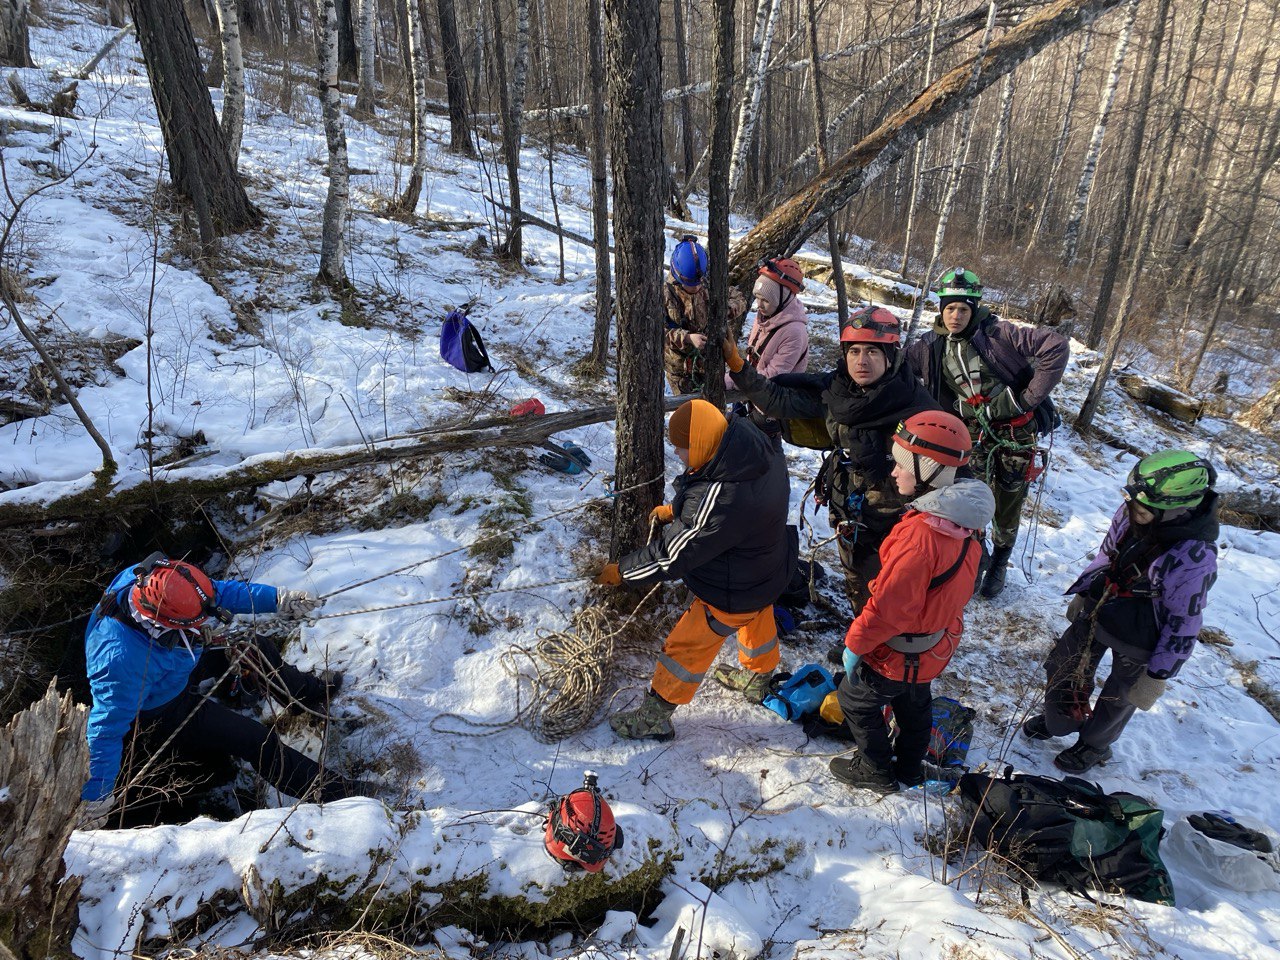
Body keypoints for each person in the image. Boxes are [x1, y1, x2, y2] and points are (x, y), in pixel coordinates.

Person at [80, 553, 366, 827]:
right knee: (259, 741)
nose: (204, 621)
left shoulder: (151, 580)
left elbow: (216, 593)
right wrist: (97, 796)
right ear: (164, 622)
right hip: (163, 708)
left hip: (177, 661)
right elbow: (106, 729)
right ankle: (340, 794)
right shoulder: (118, 661)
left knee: (255, 647)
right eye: (197, 621)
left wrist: (278, 599)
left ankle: (307, 694)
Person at [595, 399, 796, 740]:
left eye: (682, 447)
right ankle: (758, 678)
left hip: (733, 589)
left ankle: (655, 717)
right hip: (769, 568)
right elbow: (706, 489)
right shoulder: (748, 442)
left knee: (687, 646)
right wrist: (676, 509)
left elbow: (673, 556)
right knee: (758, 619)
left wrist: (622, 571)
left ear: (701, 443)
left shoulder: (722, 497)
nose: (677, 454)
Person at [724, 305, 939, 624]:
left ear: (890, 356)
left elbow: (944, 472)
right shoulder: (838, 391)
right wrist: (737, 364)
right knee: (858, 578)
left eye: (872, 352)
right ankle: (862, 637)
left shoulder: (919, 411)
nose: (861, 361)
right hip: (850, 508)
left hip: (895, 519)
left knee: (891, 587)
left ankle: (878, 655)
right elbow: (776, 399)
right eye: (854, 351)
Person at [829, 411, 995, 793]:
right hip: (933, 645)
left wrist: (855, 644)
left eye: (902, 464)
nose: (893, 473)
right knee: (914, 697)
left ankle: (875, 769)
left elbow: (890, 608)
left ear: (931, 471)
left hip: (899, 649)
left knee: (855, 700)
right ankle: (909, 767)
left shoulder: (922, 536)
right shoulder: (963, 521)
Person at [1023, 450, 1219, 774]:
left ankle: (1095, 745)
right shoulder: (1133, 510)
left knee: (1120, 695)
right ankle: (1059, 719)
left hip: (1144, 631)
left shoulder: (1194, 557)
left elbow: (1185, 619)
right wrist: (1085, 591)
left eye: (1142, 509)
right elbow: (1108, 553)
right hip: (1103, 604)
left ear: (1173, 511)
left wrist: (1159, 674)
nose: (1130, 510)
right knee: (1064, 665)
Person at [906, 268, 1069, 599]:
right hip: (972, 435)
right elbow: (898, 369)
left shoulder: (998, 333)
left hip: (1016, 434)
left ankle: (1000, 561)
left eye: (962, 309)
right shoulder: (930, 345)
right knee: (970, 493)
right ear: (941, 309)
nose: (955, 316)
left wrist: (1026, 399)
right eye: (949, 308)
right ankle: (976, 556)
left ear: (974, 309)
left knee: (1008, 499)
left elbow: (1056, 346)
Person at [726, 257, 810, 438]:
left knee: (762, 455)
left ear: (784, 296)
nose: (759, 305)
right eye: (757, 298)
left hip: (771, 407)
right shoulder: (766, 316)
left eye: (766, 300)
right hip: (750, 394)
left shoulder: (794, 332)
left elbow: (773, 376)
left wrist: (733, 379)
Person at [663, 235, 748, 395]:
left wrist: (728, 308)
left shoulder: (709, 285)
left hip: (711, 365)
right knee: (690, 414)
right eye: (690, 285)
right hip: (680, 372)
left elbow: (739, 298)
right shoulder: (665, 294)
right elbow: (658, 332)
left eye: (698, 284)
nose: (695, 289)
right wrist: (687, 338)